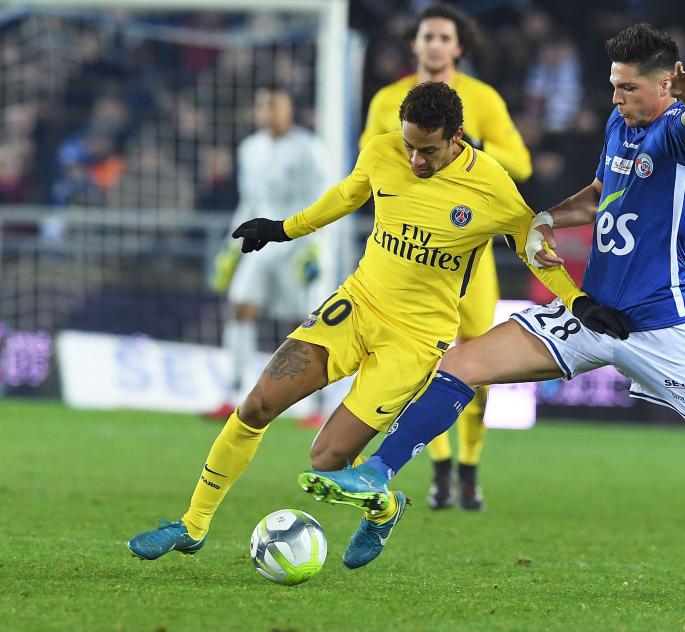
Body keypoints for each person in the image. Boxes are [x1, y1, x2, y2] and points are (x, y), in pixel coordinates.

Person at [301, 24, 685, 604]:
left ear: (664, 88)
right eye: (612, 86)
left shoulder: (679, 131)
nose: (616, 98)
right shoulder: (617, 126)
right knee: (460, 364)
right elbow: (604, 192)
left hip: (660, 324)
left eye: (627, 88)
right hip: (591, 312)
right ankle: (378, 479)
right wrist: (545, 220)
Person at [127, 81, 629, 563]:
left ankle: (385, 509)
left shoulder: (492, 185)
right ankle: (192, 526)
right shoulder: (384, 151)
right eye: (410, 145)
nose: (414, 159)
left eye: (427, 151)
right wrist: (281, 229)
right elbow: (345, 196)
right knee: (257, 405)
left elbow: (534, 249)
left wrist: (577, 302)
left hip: (413, 340)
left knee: (326, 461)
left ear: (457, 138)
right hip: (357, 305)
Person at [360, 4, 533, 511]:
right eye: (426, 36)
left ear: (458, 47)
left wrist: (474, 150)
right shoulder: (387, 101)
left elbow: (519, 161)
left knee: (478, 362)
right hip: (409, 256)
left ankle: (470, 468)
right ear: (414, 45)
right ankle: (435, 466)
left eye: (443, 37)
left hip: (468, 260)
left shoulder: (481, 99)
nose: (434, 44)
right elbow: (368, 162)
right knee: (419, 362)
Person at [206, 85, 326, 425]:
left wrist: (317, 247)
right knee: (240, 306)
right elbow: (249, 202)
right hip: (260, 245)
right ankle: (231, 394)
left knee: (301, 324)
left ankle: (312, 406)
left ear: (289, 110)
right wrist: (230, 249)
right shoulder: (250, 149)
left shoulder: (309, 149)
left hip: (298, 245)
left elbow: (327, 198)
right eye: (263, 107)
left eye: (276, 106)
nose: (269, 113)